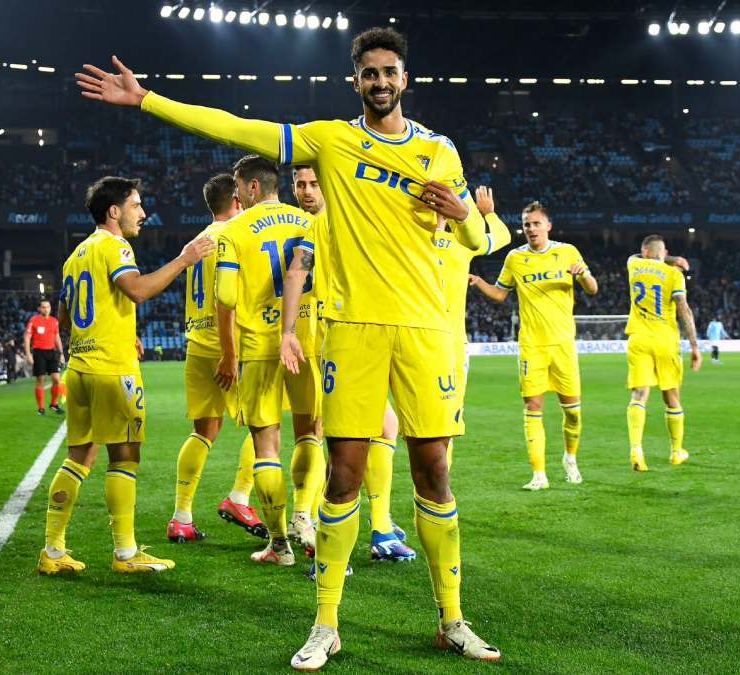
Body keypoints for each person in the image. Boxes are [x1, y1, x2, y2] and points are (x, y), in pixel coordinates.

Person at [77, 26, 500, 666]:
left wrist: (464, 213)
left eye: (390, 72)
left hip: (424, 332)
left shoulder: (440, 151)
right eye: (370, 73)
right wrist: (150, 101)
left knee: (434, 470)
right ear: (355, 80)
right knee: (344, 476)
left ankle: (452, 618)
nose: (380, 82)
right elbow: (240, 129)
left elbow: (473, 240)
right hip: (354, 331)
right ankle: (326, 623)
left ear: (404, 79)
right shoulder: (329, 140)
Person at [37, 176, 213, 576]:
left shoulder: (76, 254)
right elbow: (136, 290)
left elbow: (66, 317)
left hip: (79, 369)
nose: (143, 213)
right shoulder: (116, 246)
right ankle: (126, 553)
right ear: (114, 211)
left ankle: (53, 548)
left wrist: (117, 329)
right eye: (136, 205)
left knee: (79, 457)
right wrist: (184, 259)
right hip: (112, 370)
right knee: (126, 456)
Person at [280, 164, 415, 569]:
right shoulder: (334, 222)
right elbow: (296, 272)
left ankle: (374, 527)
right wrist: (288, 331)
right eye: (300, 184)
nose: (306, 191)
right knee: (339, 437)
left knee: (370, 429)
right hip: (340, 339)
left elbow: (296, 271)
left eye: (314, 183)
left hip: (343, 336)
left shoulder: (319, 226)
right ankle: (341, 532)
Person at [215, 155, 323, 568]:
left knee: (267, 446)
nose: (237, 194)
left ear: (252, 187)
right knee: (310, 432)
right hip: (307, 340)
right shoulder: (309, 223)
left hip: (261, 345)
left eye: (239, 187)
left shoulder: (234, 230)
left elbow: (226, 296)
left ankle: (279, 546)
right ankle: (304, 516)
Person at [469, 201, 597, 488]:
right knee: (532, 407)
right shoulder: (515, 258)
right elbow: (501, 294)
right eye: (527, 224)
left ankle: (570, 458)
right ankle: (539, 474)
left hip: (563, 344)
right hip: (531, 346)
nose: (531, 228)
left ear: (548, 226)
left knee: (573, 412)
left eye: (536, 223)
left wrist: (584, 275)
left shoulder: (567, 252)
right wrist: (479, 282)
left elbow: (593, 289)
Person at [168, 173, 266, 544]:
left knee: (203, 432)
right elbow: (233, 297)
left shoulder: (196, 241)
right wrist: (232, 352)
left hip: (197, 345)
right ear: (237, 201)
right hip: (231, 347)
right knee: (263, 426)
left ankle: (181, 516)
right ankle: (240, 497)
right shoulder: (237, 236)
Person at [434, 186, 512, 471]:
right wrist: (488, 214)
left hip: (415, 339)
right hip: (451, 346)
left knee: (402, 430)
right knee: (446, 426)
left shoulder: (408, 241)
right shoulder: (462, 245)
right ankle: (438, 496)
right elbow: (502, 237)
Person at [624, 235, 702, 471]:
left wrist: (669, 257)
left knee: (639, 395)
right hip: (665, 340)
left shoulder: (633, 264)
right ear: (661, 252)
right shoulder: (674, 275)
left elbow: (646, 255)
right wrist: (695, 345)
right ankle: (677, 452)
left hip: (638, 337)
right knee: (672, 396)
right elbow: (684, 310)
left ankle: (636, 448)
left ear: (644, 251)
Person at [25, 299, 65, 416]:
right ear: (39, 309)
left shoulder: (54, 321)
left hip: (51, 352)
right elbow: (27, 337)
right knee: (41, 380)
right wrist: (28, 354)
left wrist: (61, 353)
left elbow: (57, 337)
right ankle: (41, 408)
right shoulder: (34, 320)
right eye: (43, 307)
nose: (46, 309)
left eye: (48, 307)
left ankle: (53, 404)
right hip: (39, 353)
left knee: (57, 379)